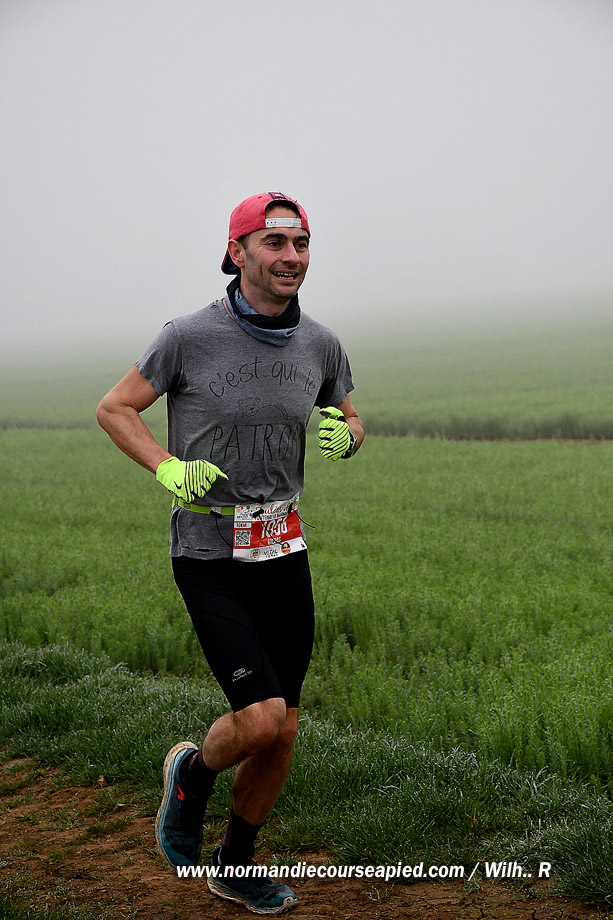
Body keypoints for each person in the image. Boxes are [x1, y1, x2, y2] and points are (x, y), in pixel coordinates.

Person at [96, 191, 364, 915]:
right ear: (237, 251)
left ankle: (234, 864)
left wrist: (347, 434)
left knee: (284, 729)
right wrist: (165, 467)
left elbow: (346, 411)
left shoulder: (321, 343)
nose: (291, 257)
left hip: (282, 548)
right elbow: (115, 408)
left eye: (301, 243)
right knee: (260, 719)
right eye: (274, 243)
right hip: (208, 551)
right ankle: (192, 774)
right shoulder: (186, 337)